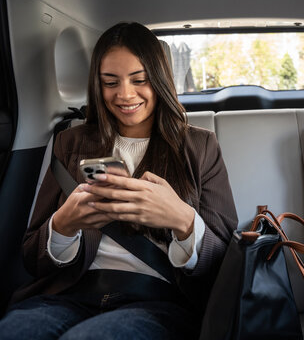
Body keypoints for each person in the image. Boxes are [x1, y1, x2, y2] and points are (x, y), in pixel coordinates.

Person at [0, 22, 238, 339]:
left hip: (157, 301)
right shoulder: (71, 143)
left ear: (160, 79)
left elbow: (224, 262)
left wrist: (182, 220)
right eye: (110, 82)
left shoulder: (199, 147)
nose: (124, 94)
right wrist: (63, 225)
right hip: (68, 293)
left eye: (139, 80)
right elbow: (32, 256)